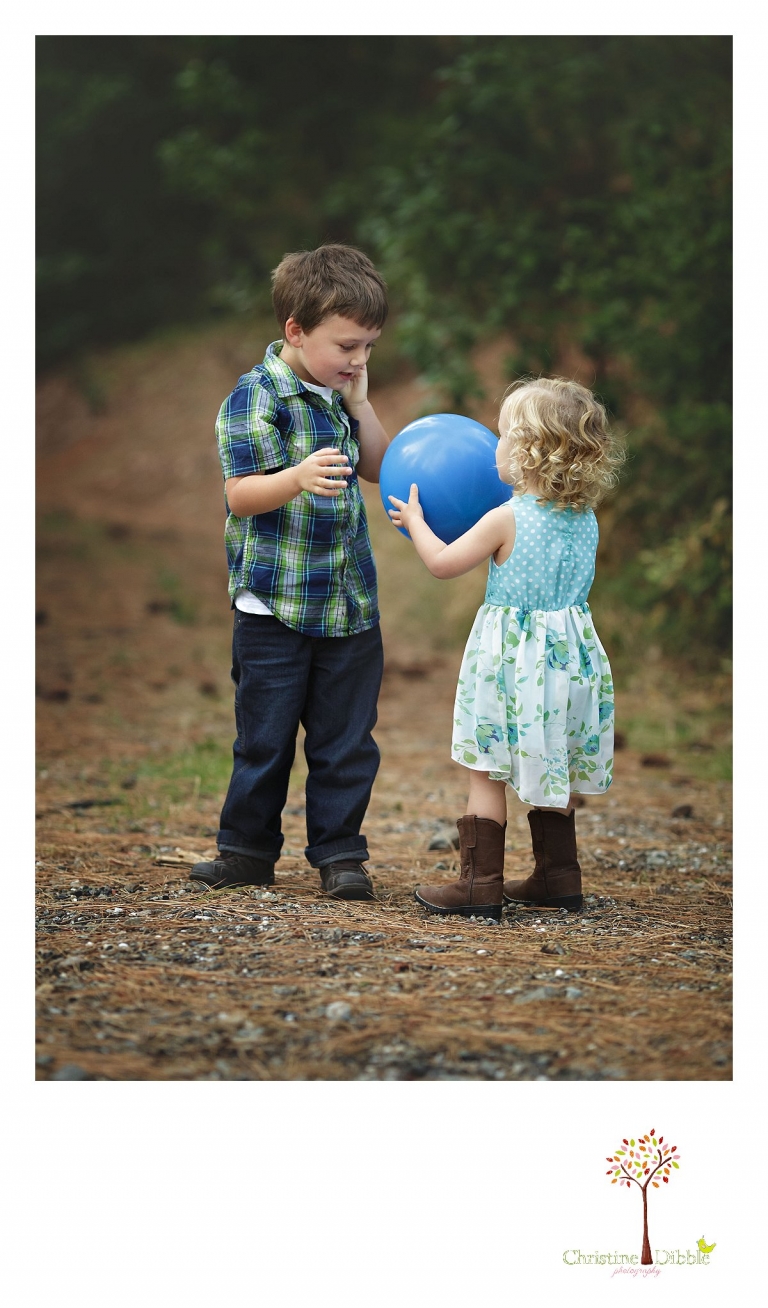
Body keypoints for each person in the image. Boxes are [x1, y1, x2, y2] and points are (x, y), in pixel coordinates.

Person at [191, 245, 390, 901]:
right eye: (347, 346)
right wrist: (297, 478)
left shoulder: (341, 394)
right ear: (296, 332)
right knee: (265, 738)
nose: (358, 359)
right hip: (272, 607)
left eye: (368, 346)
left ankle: (340, 855)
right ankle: (246, 850)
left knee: (346, 740)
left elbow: (379, 468)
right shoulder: (257, 398)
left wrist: (361, 403)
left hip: (347, 603)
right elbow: (241, 494)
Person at [387, 377, 624, 921]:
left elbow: (444, 564)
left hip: (509, 662)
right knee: (555, 764)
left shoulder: (506, 518)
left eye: (501, 436)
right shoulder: (585, 518)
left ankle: (479, 885)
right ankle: (559, 877)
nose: (492, 447)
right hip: (569, 661)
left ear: (528, 452)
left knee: (487, 768)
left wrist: (418, 524)